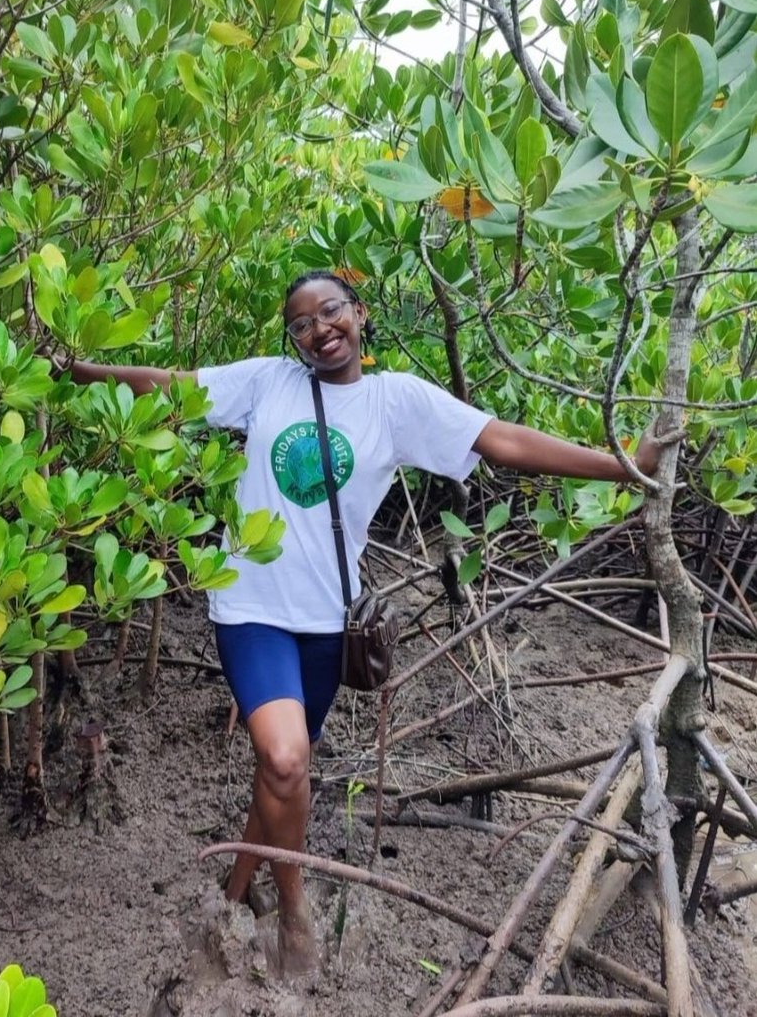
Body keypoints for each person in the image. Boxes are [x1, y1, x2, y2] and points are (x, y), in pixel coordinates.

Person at [58, 269, 667, 975]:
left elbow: (503, 441)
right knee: (286, 759)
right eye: (302, 322)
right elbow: (170, 384)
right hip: (251, 608)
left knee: (284, 772)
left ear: (360, 313)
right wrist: (78, 367)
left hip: (325, 622)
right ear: (292, 338)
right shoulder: (267, 382)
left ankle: (235, 888)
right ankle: (292, 908)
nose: (320, 329)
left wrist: (625, 467)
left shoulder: (395, 401)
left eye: (332, 311)